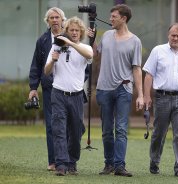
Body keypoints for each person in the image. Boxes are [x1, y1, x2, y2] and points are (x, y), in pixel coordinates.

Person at [90, 4, 143, 177]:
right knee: (106, 129)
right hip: (104, 89)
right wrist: (91, 40)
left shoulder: (135, 41)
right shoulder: (106, 36)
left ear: (123, 18)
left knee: (120, 128)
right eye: (110, 16)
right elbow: (93, 54)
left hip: (123, 89)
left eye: (114, 16)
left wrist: (140, 95)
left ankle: (120, 166)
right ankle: (109, 164)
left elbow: (136, 69)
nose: (111, 19)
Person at [143, 23, 178, 177]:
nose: (175, 38)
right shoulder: (157, 51)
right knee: (159, 133)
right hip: (162, 98)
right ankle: (154, 161)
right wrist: (147, 96)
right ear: (168, 35)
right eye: (173, 35)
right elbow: (148, 75)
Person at [44, 16, 93, 176]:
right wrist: (52, 60)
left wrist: (70, 44)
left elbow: (89, 55)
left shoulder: (86, 48)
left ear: (81, 33)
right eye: (71, 30)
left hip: (77, 96)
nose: (73, 32)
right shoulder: (55, 47)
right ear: (67, 31)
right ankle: (61, 165)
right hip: (58, 93)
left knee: (76, 131)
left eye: (76, 30)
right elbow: (46, 71)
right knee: (58, 130)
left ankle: (72, 162)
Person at [28, 7, 66, 171]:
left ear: (62, 20)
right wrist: (33, 87)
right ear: (48, 21)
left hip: (69, 88)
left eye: (57, 17)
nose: (55, 20)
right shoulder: (42, 40)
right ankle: (54, 161)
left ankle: (68, 160)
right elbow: (36, 65)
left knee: (72, 125)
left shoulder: (70, 37)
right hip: (50, 88)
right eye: (52, 18)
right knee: (51, 125)